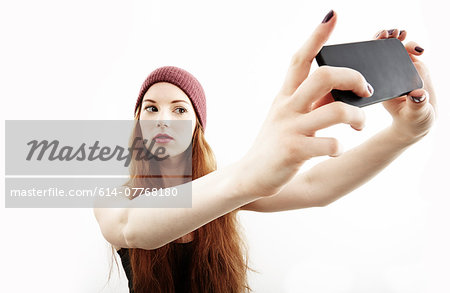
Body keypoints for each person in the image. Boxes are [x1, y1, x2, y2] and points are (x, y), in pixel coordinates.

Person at [93, 9, 437, 293]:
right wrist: (250, 174)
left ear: (198, 126)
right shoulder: (116, 200)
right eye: (151, 109)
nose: (163, 120)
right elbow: (131, 229)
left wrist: (404, 134)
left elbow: (316, 186)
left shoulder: (222, 187)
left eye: (180, 110)